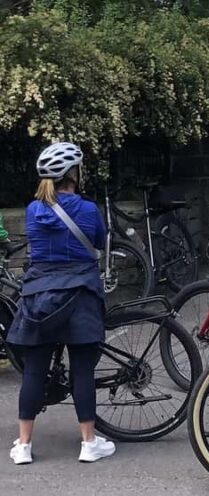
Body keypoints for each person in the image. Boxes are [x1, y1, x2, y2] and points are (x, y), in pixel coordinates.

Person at [7, 142, 116, 465]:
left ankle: (24, 446)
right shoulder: (87, 209)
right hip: (80, 295)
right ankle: (88, 443)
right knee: (82, 371)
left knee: (34, 371)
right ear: (73, 173)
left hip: (40, 296)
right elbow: (99, 240)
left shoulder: (32, 210)